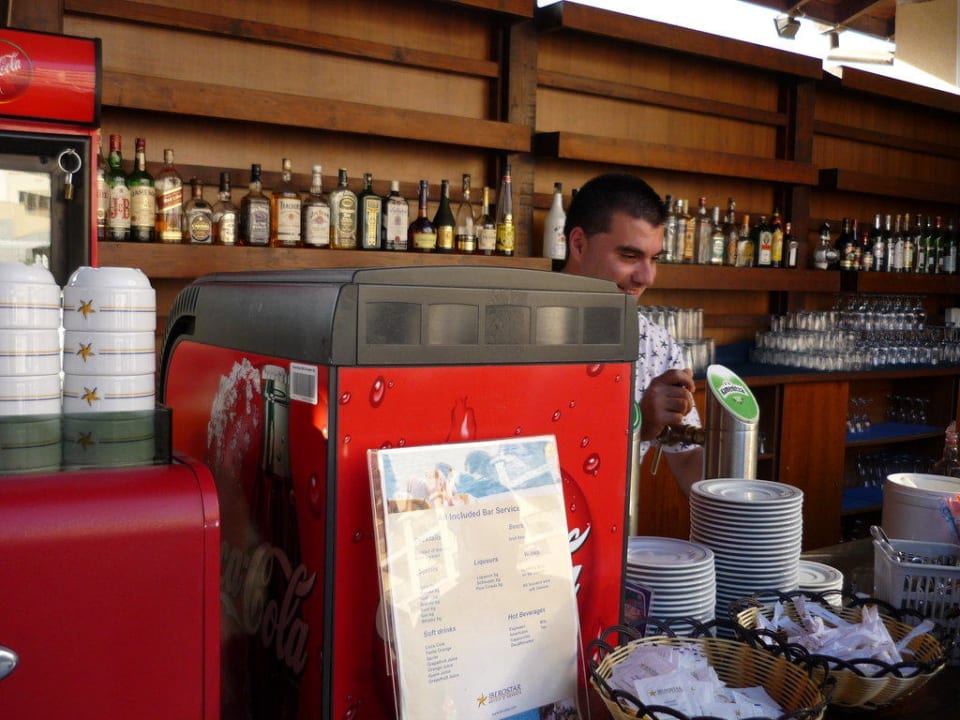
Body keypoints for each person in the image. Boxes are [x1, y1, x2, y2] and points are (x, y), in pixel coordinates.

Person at [563, 172, 703, 495]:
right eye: (629, 256)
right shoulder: (520, 332)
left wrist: (734, 445)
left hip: (621, 523)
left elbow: (687, 459)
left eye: (654, 259)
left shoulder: (656, 345)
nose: (647, 277)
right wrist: (639, 425)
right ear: (579, 244)